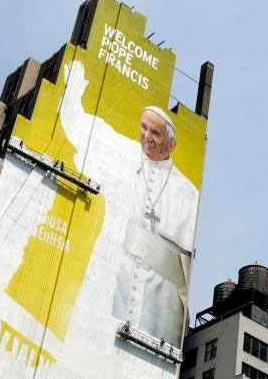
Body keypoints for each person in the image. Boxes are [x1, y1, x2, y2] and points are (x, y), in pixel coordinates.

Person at [58, 60, 199, 348]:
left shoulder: (188, 192)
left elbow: (186, 264)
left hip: (161, 307)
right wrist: (73, 89)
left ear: (171, 145)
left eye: (155, 133)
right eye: (144, 129)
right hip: (113, 283)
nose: (147, 137)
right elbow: (76, 124)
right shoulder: (122, 152)